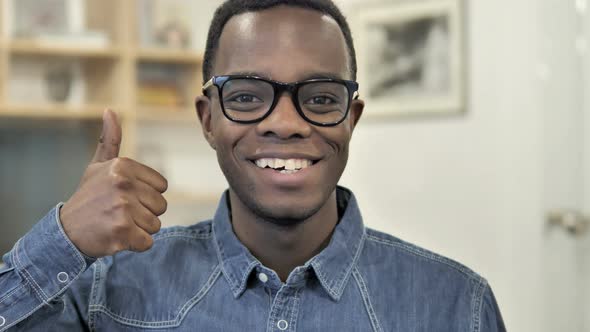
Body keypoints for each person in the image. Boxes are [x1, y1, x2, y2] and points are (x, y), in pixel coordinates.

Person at [0, 0, 506, 331]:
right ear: (207, 119)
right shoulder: (106, 292)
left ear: (350, 119)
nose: (285, 123)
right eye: (245, 95)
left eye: (321, 97)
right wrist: (61, 240)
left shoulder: (457, 307)